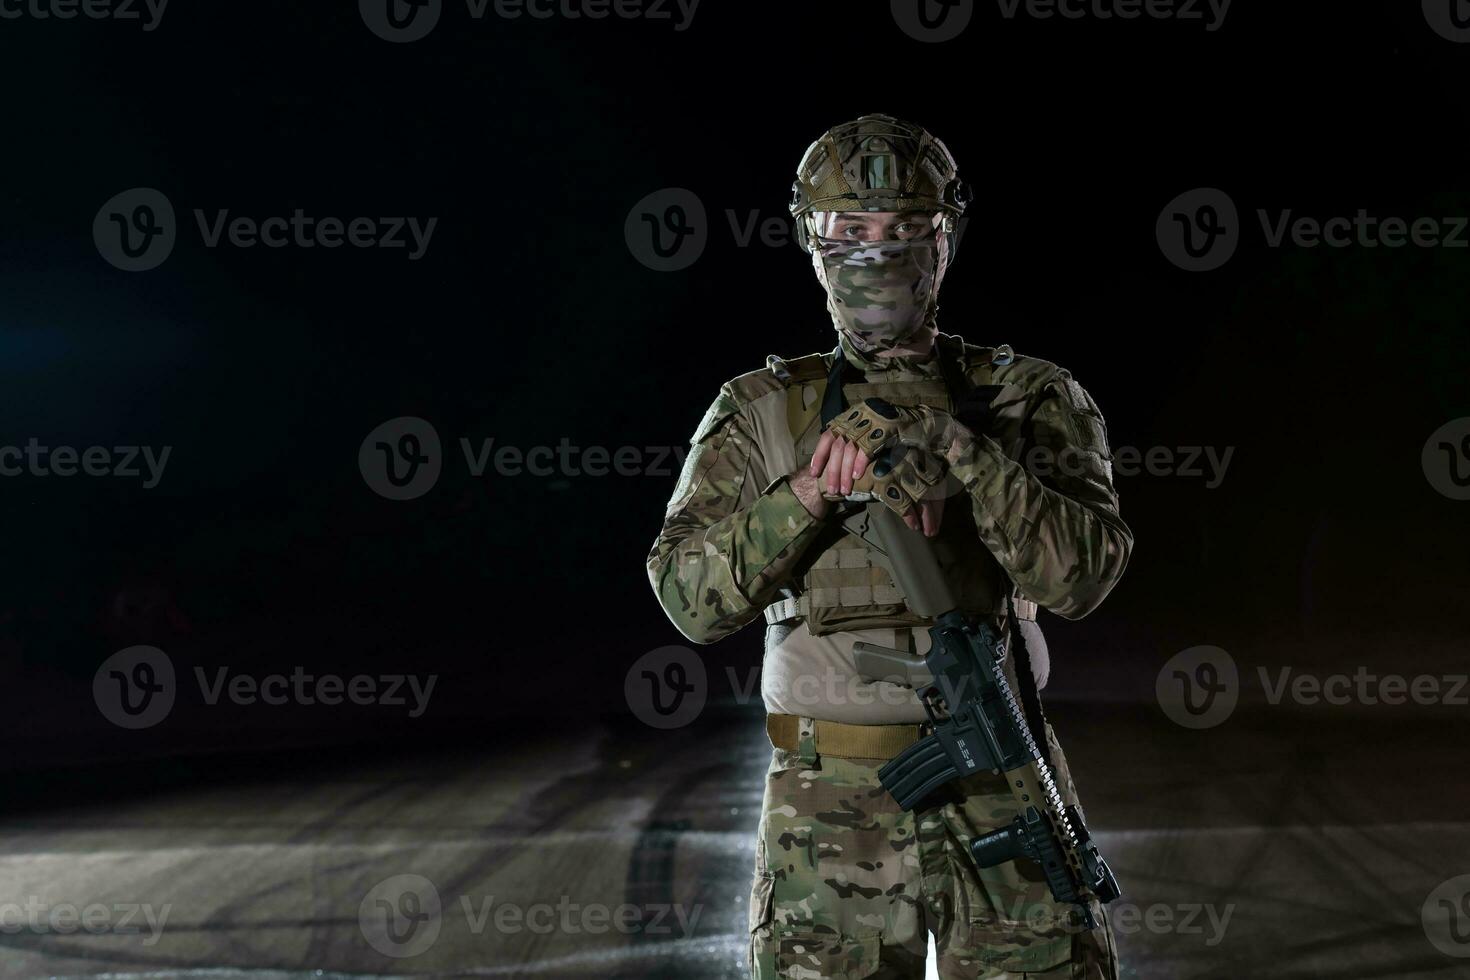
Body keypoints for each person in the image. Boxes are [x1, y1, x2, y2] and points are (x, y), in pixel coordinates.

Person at [647, 113, 1131, 979]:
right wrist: (807, 495)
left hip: (1004, 781)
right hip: (827, 802)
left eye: (907, 230)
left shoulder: (1027, 398)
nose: (880, 253)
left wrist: (968, 455)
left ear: (945, 242)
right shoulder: (760, 411)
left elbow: (1084, 578)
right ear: (812, 240)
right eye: (852, 232)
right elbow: (688, 600)